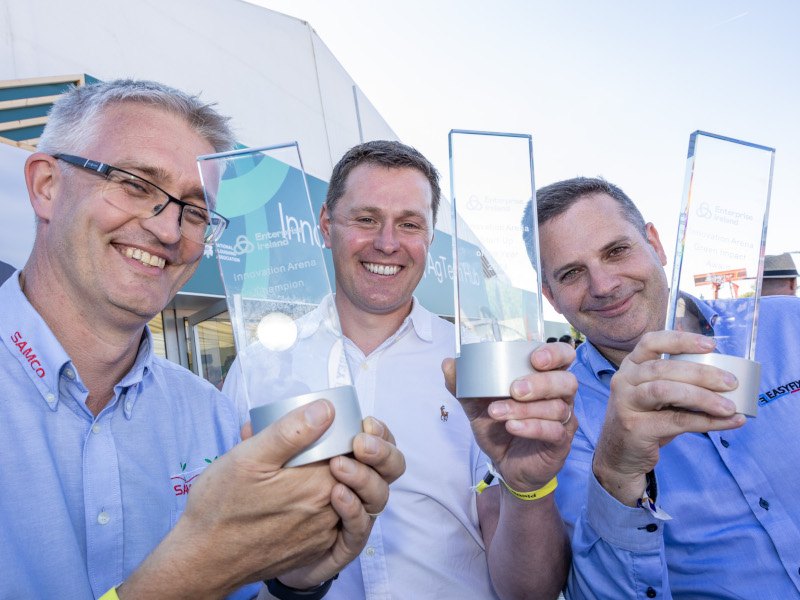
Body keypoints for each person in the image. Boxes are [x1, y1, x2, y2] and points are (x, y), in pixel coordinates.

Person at [0, 79, 405, 600]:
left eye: (194, 211)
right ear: (46, 185)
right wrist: (193, 573)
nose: (170, 231)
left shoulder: (210, 416)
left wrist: (296, 573)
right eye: (136, 184)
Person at [226, 140, 576, 599]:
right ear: (327, 226)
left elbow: (531, 592)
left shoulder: (475, 366)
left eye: (409, 224)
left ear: (429, 236)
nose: (387, 243)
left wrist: (528, 488)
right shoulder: (260, 367)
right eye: (366, 219)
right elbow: (231, 546)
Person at [518, 176, 800, 598]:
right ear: (551, 297)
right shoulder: (557, 413)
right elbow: (597, 589)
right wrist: (615, 475)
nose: (604, 285)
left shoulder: (788, 325)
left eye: (616, 251)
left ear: (656, 243)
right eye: (573, 273)